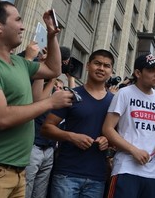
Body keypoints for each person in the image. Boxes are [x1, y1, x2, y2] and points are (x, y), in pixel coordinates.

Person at [0, 1, 73, 198]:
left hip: (18, 172)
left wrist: (51, 36)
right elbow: (1, 117)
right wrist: (50, 102)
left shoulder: (19, 63)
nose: (23, 26)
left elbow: (53, 69)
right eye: (17, 20)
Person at [41, 49, 116, 198]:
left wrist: (108, 140)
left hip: (97, 177)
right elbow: (46, 128)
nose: (101, 68)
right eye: (97, 63)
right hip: (67, 175)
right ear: (88, 66)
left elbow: (119, 134)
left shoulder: (115, 102)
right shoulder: (71, 95)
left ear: (111, 71)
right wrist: (71, 136)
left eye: (106, 66)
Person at [102, 53, 155, 198]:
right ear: (138, 73)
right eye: (151, 70)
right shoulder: (124, 93)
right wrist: (133, 150)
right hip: (126, 168)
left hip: (153, 173)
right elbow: (107, 128)